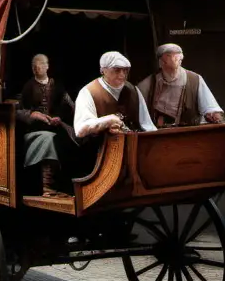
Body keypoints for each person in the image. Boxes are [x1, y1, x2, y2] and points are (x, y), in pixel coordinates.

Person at [16, 54, 77, 197]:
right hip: (34, 131)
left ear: (47, 66)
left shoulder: (56, 86)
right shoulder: (28, 86)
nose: (38, 68)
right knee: (48, 140)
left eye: (41, 65)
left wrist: (59, 118)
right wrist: (33, 115)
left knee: (71, 140)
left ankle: (66, 186)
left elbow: (71, 106)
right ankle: (47, 187)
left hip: (57, 126)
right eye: (35, 66)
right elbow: (17, 110)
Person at [137, 43, 224, 128]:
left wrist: (213, 114)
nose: (175, 60)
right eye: (170, 56)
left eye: (178, 57)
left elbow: (209, 106)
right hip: (159, 132)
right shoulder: (149, 83)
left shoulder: (194, 80)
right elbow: (138, 109)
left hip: (187, 131)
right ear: (161, 62)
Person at [75, 51, 156, 138]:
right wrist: (107, 121)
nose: (122, 74)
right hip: (101, 147)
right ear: (103, 70)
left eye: (125, 70)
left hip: (133, 145)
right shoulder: (88, 92)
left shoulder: (133, 90)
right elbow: (80, 129)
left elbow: (147, 125)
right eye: (117, 70)